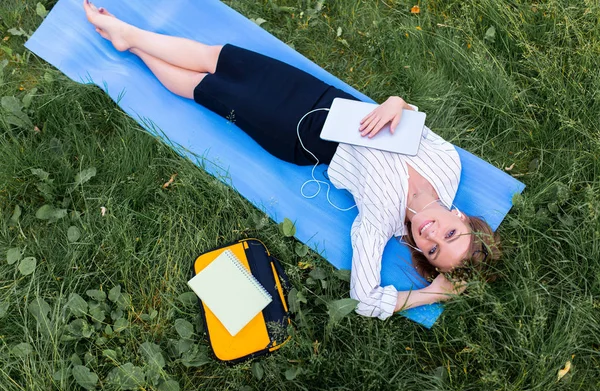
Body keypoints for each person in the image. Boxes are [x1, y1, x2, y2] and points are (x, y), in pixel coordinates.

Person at [83, 0, 500, 320]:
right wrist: (396, 102)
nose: (432, 235)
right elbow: (409, 118)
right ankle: (130, 34)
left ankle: (130, 44)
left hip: (294, 132)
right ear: (462, 217)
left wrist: (435, 293)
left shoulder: (382, 221)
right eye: (449, 234)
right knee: (219, 57)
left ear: (421, 255)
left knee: (205, 88)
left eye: (431, 250)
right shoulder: (449, 166)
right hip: (323, 96)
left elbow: (366, 300)